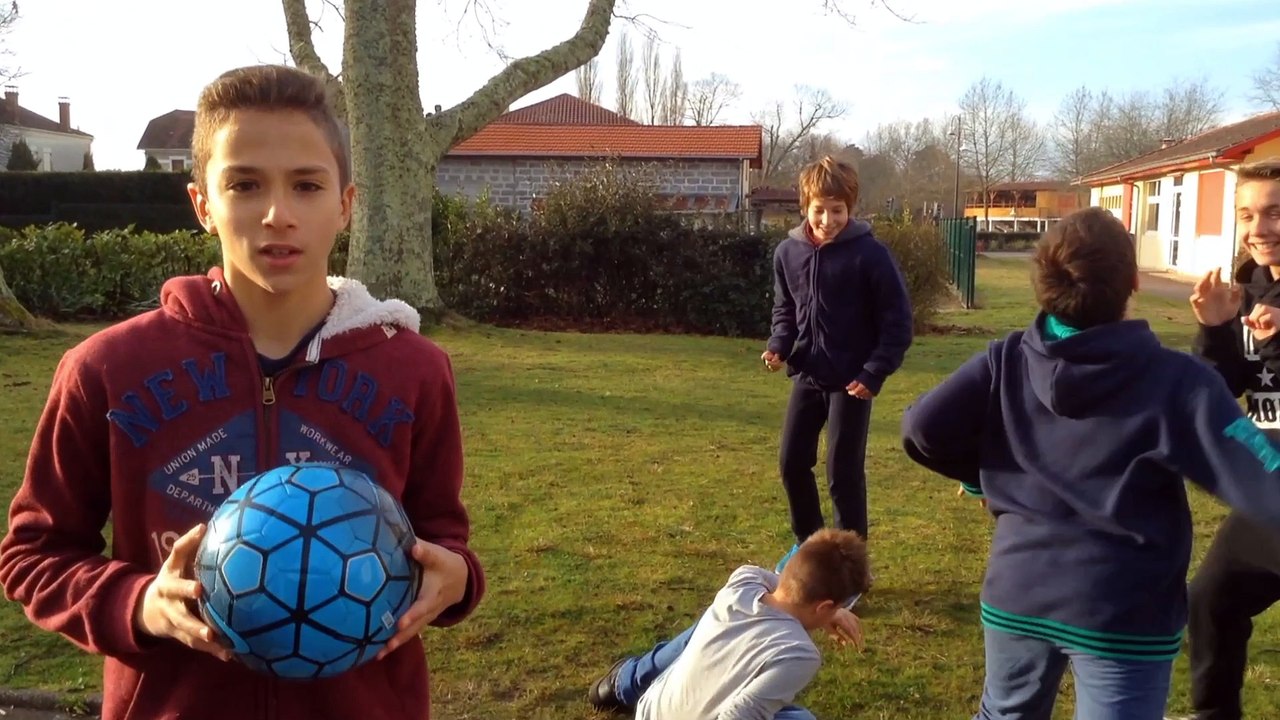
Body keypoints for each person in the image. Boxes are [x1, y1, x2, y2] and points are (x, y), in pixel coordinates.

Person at [0, 64, 484, 720]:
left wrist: (457, 577)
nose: (278, 214)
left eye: (307, 185)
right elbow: (35, 554)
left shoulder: (415, 371)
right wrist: (140, 604)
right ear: (203, 204)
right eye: (245, 184)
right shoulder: (106, 369)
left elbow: (441, 536)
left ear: (345, 204)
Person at [900, 206, 1280, 720]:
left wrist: (984, 478)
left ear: (1043, 287)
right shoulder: (1178, 381)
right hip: (1123, 608)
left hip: (1019, 590)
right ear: (1134, 282)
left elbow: (920, 428)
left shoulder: (1006, 359)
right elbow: (1260, 472)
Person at [762, 155, 913, 574]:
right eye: (819, 210)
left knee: (842, 474)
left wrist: (874, 371)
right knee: (792, 463)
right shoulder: (788, 253)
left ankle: (851, 571)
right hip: (808, 376)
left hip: (853, 382)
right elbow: (785, 311)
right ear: (805, 206)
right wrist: (778, 346)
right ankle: (811, 551)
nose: (828, 220)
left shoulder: (871, 255)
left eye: (838, 210)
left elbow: (898, 322)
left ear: (851, 208)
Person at [1179, 158, 1280, 720]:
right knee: (1212, 600)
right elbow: (1218, 393)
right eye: (1246, 214)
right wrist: (1215, 330)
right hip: (1270, 492)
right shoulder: (1253, 288)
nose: (1258, 228)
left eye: (1274, 213)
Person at [588, 528, 868, 719]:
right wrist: (827, 611)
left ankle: (627, 680)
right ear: (824, 606)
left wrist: (826, 608)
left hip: (650, 711)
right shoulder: (800, 653)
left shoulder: (743, 582)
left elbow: (780, 581)